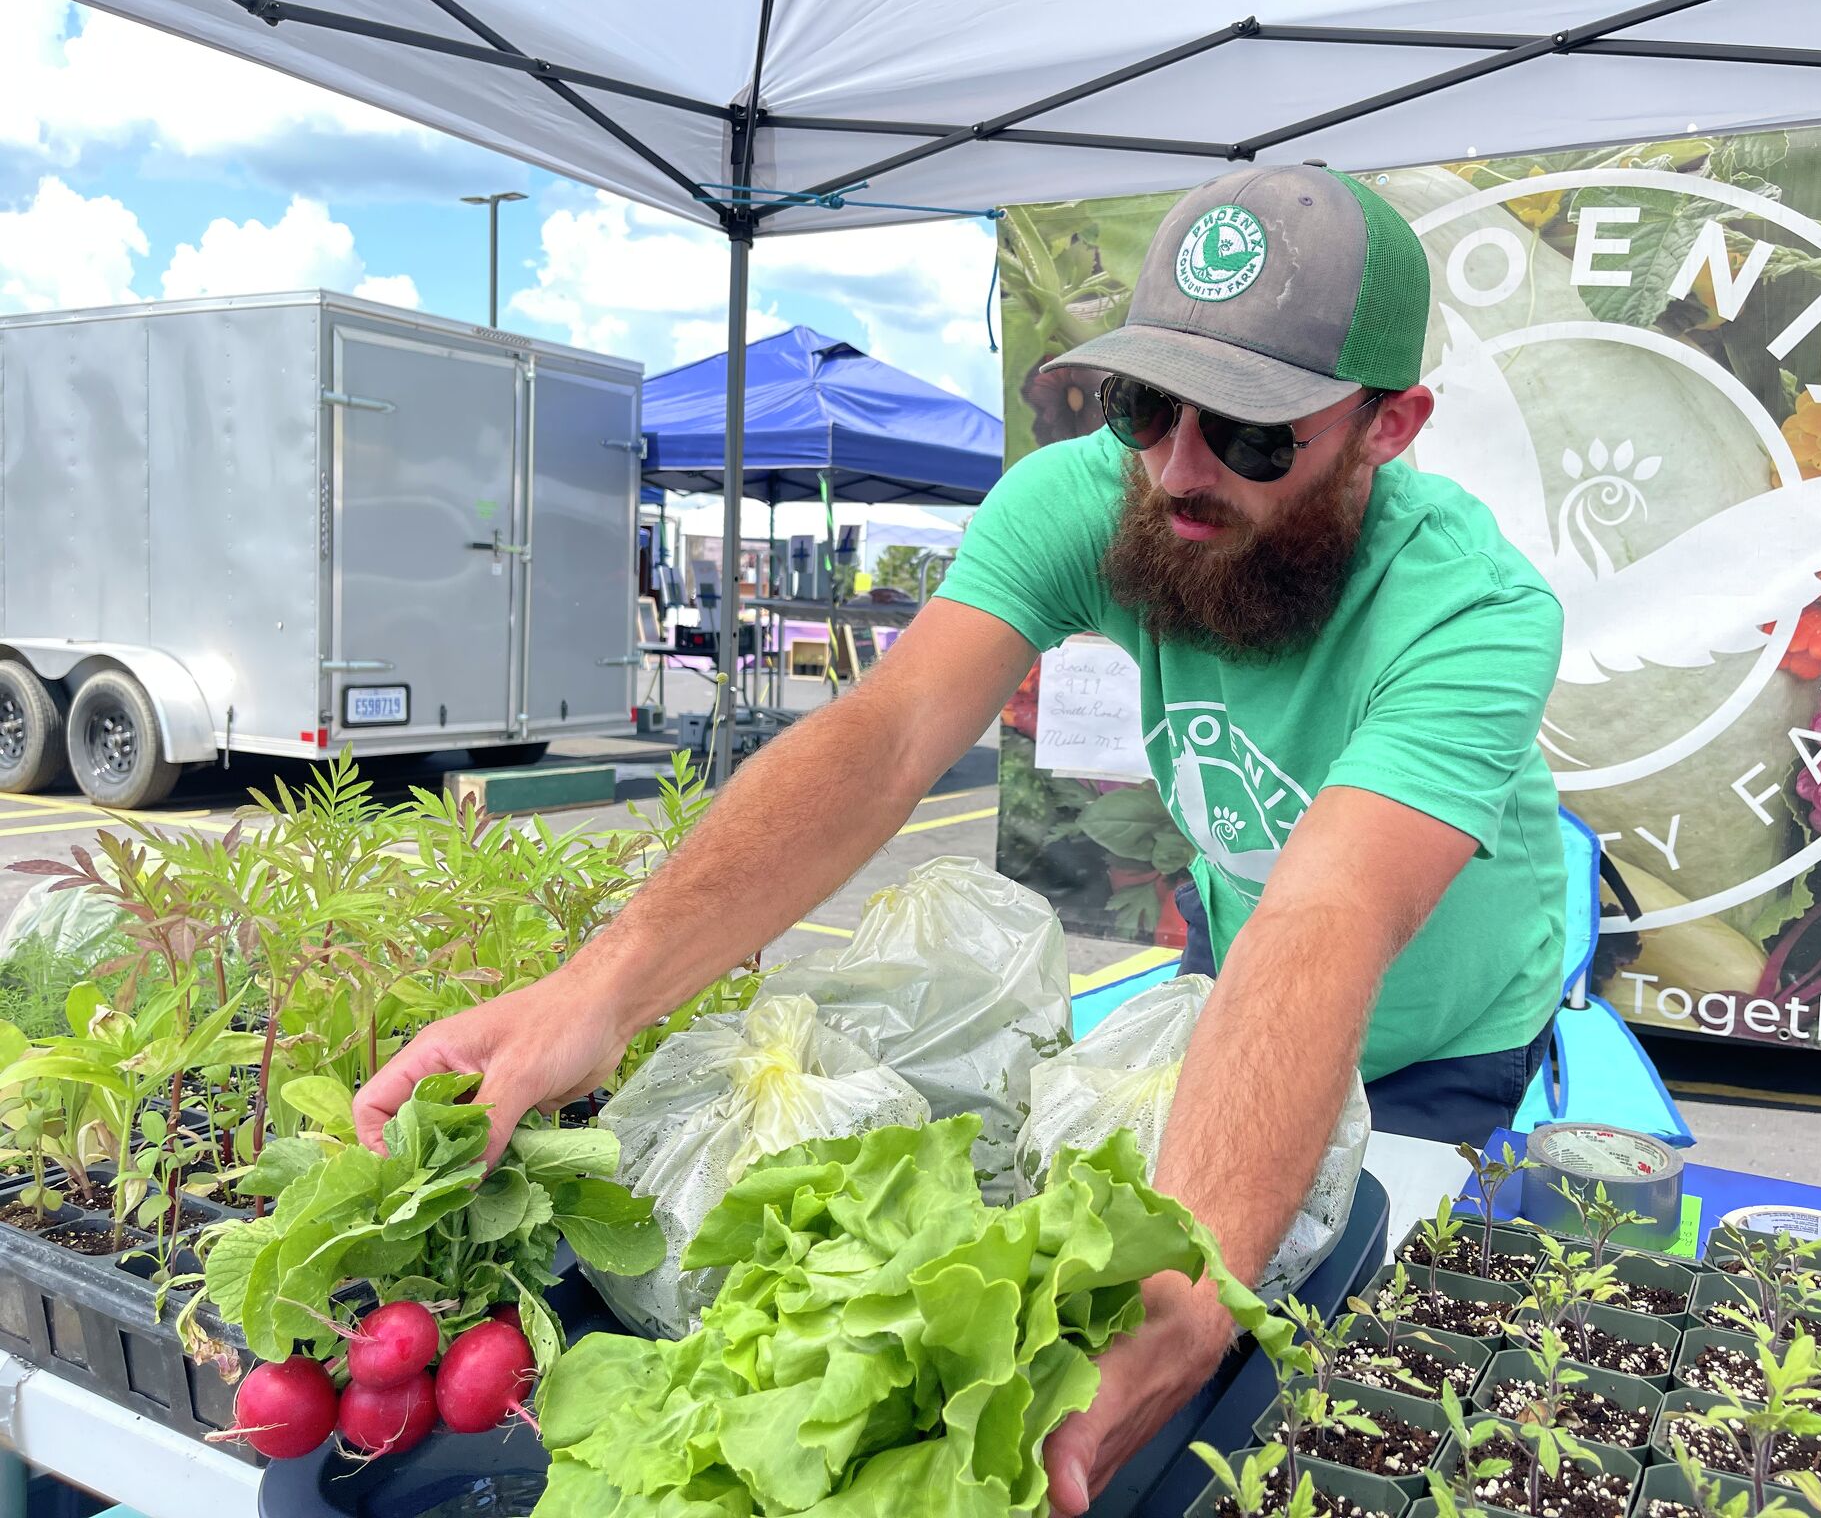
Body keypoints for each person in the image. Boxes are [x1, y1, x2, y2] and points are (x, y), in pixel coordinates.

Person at [353, 163, 1566, 1514]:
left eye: (1252, 434)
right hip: (1243, 1012)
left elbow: (1328, 914)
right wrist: (599, 990)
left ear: (1391, 426)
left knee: (1346, 1380)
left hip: (1440, 1042)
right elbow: (880, 743)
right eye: (1146, 405)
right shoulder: (1089, 501)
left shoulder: (1476, 612)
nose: (1176, 466)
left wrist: (1199, 1276)